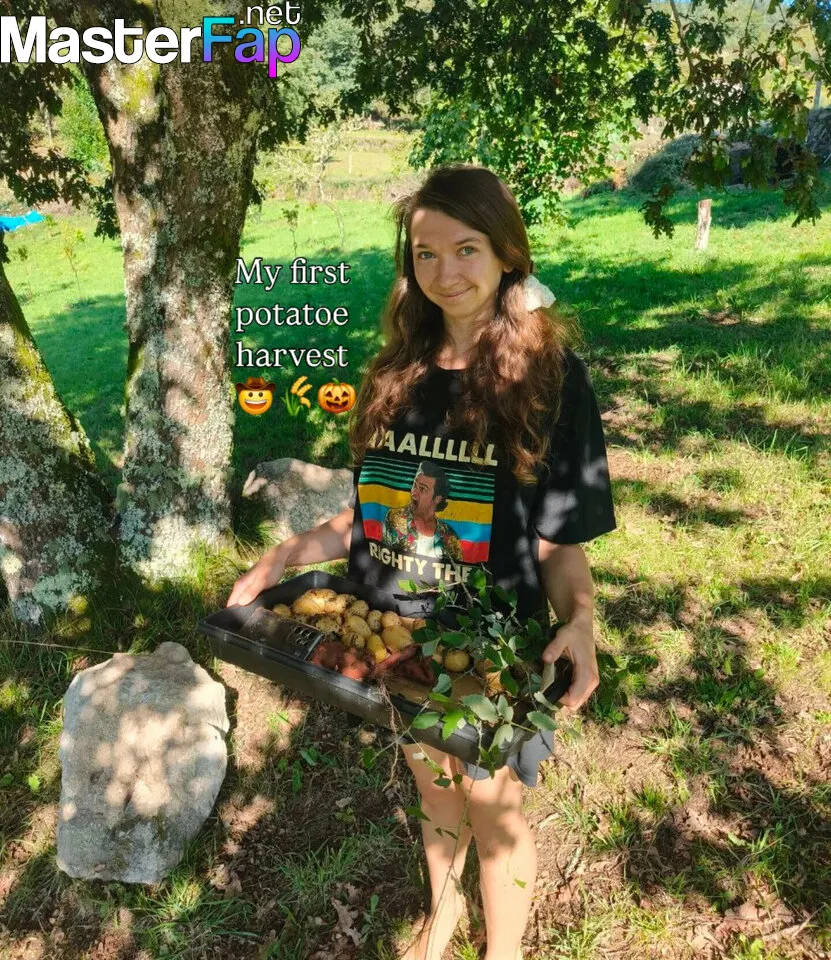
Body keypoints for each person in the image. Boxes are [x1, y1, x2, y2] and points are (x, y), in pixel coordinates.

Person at [226, 165, 617, 960]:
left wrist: (579, 621)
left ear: (506, 254)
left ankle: (501, 951)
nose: (446, 272)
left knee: (492, 808)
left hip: (490, 650)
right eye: (425, 253)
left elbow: (556, 539)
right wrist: (283, 555)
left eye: (466, 248)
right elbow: (366, 516)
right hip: (393, 641)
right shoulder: (394, 375)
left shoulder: (549, 381)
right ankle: (443, 915)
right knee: (432, 790)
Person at [381, 460, 463, 560]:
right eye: (414, 485)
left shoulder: (450, 536)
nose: (413, 493)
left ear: (437, 499)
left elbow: (458, 568)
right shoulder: (395, 519)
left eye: (423, 489)